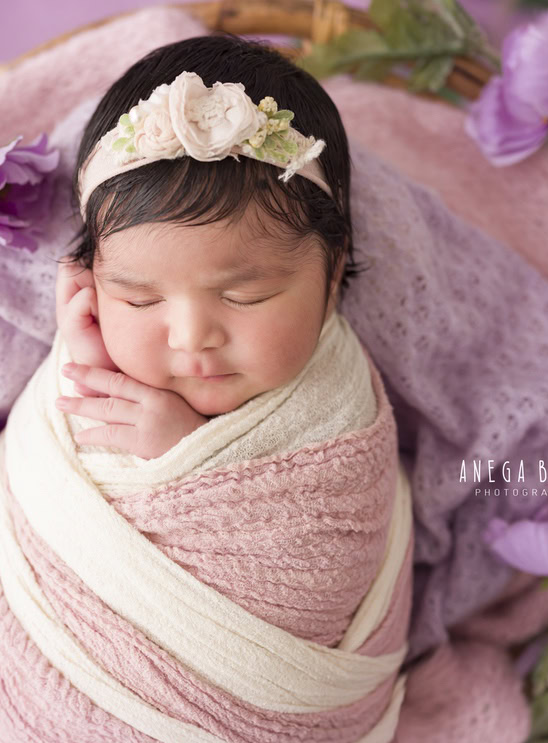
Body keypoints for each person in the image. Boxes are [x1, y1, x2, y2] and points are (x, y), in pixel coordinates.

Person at [53, 34, 371, 460]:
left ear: (331, 273)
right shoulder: (87, 346)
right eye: (139, 300)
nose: (191, 338)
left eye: (244, 297)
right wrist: (94, 370)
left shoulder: (339, 414)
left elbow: (312, 521)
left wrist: (197, 456)